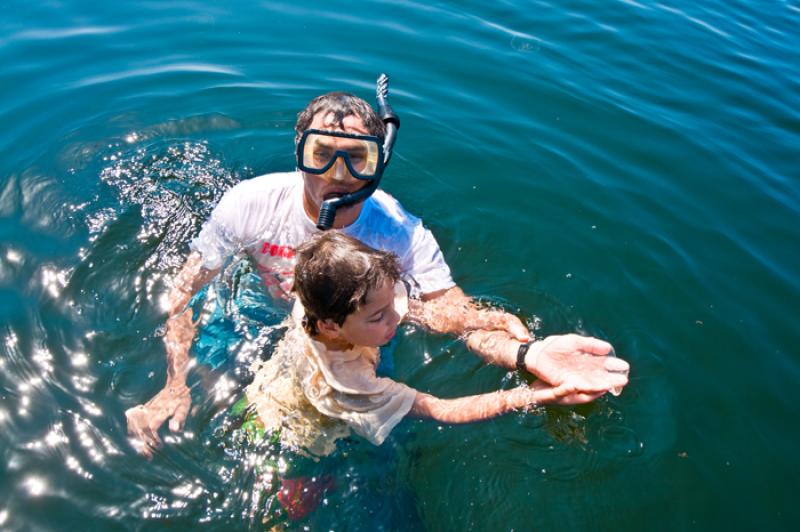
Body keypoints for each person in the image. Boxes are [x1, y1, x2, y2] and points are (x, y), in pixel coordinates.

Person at [125, 80, 630, 457]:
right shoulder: (249, 205)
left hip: (352, 335)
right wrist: (174, 383)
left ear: (378, 163)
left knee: (363, 434)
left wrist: (525, 354)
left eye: (357, 160)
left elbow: (452, 317)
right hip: (255, 314)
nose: (337, 177)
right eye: (322, 155)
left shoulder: (400, 234)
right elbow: (183, 293)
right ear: (299, 154)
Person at [246, 231, 624, 455]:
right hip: (300, 427)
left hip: (273, 380)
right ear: (330, 326)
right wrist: (537, 396)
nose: (396, 316)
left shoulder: (316, 295)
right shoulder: (350, 382)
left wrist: (484, 319)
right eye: (379, 317)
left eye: (391, 301)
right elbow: (442, 410)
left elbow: (413, 310)